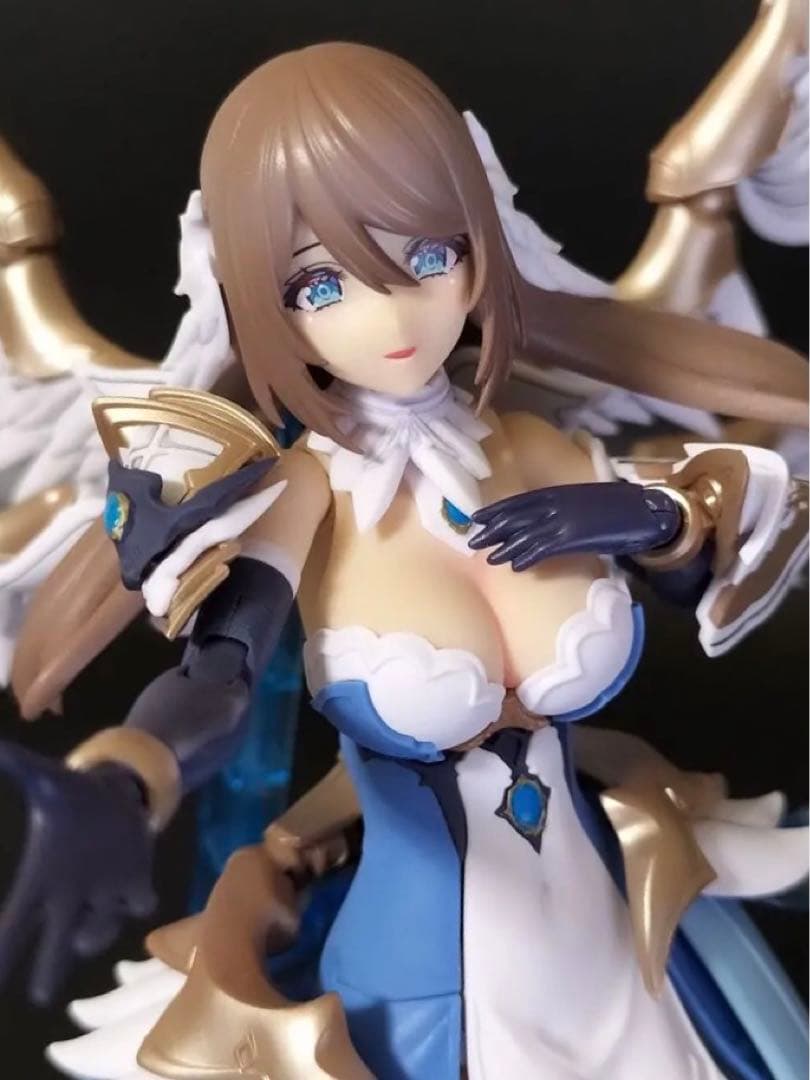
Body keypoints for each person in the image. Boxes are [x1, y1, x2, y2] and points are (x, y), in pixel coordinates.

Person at [2, 42, 808, 1080]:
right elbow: (215, 679)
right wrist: (125, 780)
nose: (390, 316)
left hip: (625, 943)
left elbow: (721, 564)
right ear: (256, 297)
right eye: (321, 283)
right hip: (429, 992)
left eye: (428, 256)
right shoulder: (303, 493)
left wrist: (651, 518)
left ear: (480, 241)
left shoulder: (538, 447)